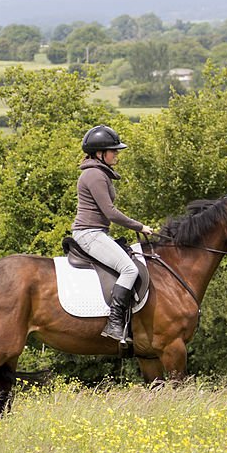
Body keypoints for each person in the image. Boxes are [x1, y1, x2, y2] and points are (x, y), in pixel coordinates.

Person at [72, 125, 154, 341]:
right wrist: (140, 227)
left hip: (96, 232)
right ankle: (114, 323)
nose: (117, 154)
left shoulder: (98, 173)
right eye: (113, 150)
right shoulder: (95, 175)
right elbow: (110, 212)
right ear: (100, 153)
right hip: (90, 234)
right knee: (129, 269)